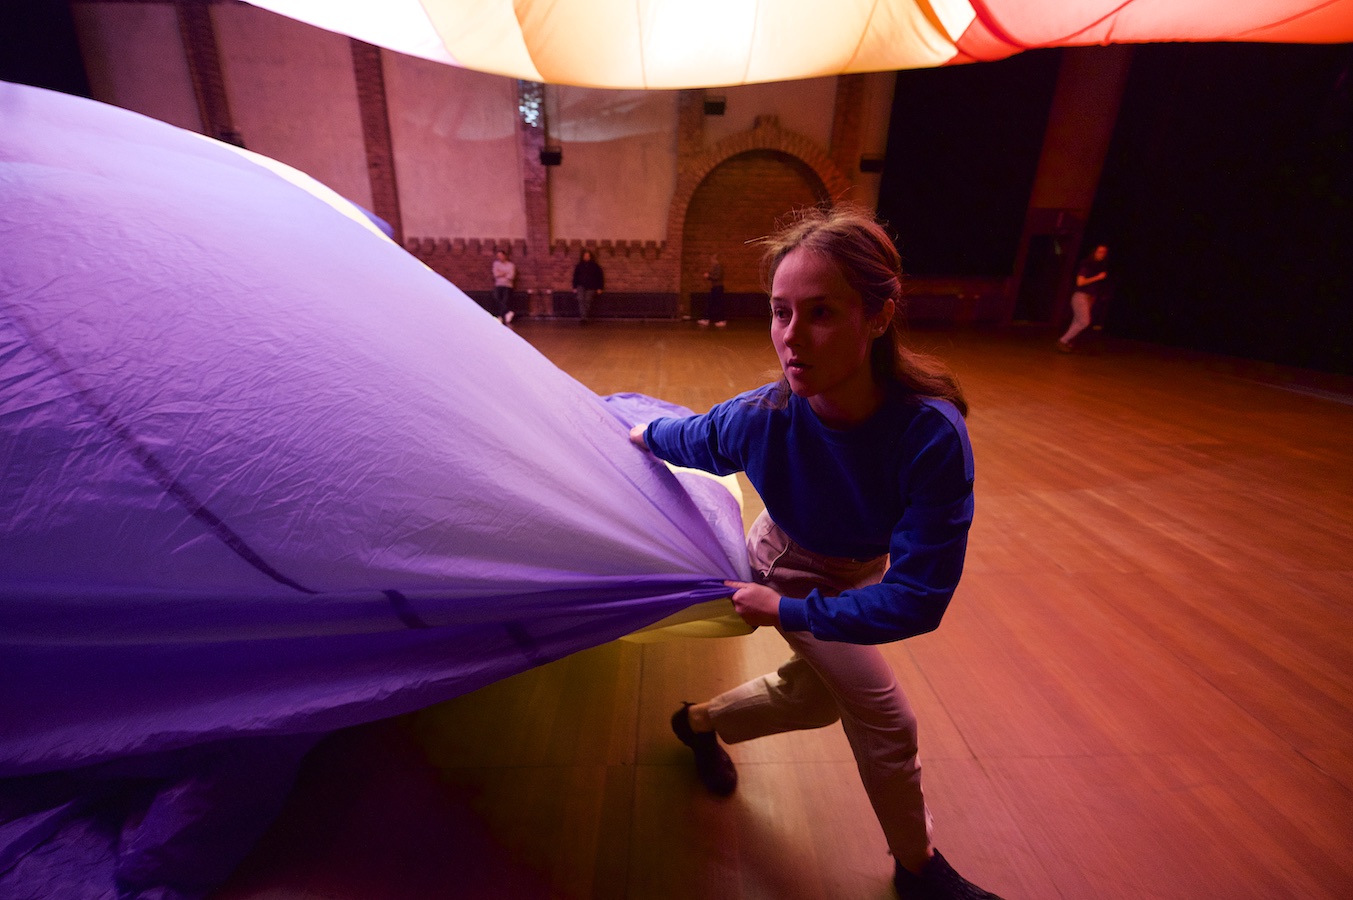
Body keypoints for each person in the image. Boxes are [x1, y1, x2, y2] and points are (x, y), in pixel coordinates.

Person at [628, 206, 1001, 899]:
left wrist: (790, 614)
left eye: (820, 312)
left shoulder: (930, 435)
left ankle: (697, 723)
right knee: (886, 717)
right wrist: (633, 431)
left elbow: (917, 598)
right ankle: (918, 869)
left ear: (879, 316)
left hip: (848, 577)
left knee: (816, 700)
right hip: (785, 565)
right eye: (780, 312)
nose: (791, 338)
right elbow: (686, 437)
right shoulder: (760, 417)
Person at [1057, 244, 1109, 352]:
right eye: (1100, 252)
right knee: (1084, 321)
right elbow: (1080, 282)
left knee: (1077, 321)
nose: (1102, 254)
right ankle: (1063, 340)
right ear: (1094, 252)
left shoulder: (1101, 266)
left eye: (1104, 252)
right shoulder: (1087, 265)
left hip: (1090, 297)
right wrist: (1097, 277)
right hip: (1081, 296)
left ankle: (1067, 341)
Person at [572, 249, 604, 324]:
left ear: (590, 257)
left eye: (588, 256)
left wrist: (600, 288)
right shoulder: (579, 266)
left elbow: (600, 277)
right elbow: (575, 277)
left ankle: (584, 316)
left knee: (587, 300)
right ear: (583, 256)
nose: (586, 257)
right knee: (580, 300)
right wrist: (574, 287)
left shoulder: (595, 266)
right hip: (580, 285)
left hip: (591, 286)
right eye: (585, 255)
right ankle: (583, 318)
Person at [699, 253, 727, 327]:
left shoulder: (718, 267)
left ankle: (721, 320)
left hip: (718, 287)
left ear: (716, 259)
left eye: (712, 259)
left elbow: (717, 277)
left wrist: (708, 276)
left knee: (717, 304)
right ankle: (707, 319)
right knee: (712, 303)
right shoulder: (716, 267)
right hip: (716, 287)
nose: (711, 261)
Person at [491, 249, 517, 324]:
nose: (499, 257)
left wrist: (501, 273)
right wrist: (505, 273)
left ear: (505, 256)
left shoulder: (511, 265)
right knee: (496, 298)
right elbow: (495, 274)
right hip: (498, 284)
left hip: (508, 285)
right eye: (498, 256)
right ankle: (508, 312)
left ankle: (500, 316)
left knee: (505, 300)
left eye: (501, 255)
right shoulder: (496, 264)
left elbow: (511, 276)